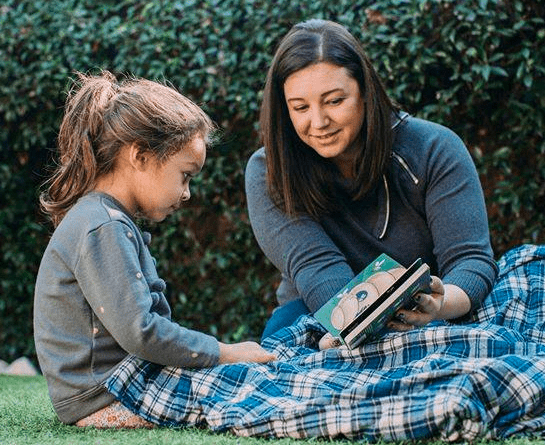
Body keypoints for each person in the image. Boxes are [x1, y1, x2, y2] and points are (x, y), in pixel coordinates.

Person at [34, 71, 275, 428]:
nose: (187, 193)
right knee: (250, 392)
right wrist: (224, 353)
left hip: (114, 385)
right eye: (185, 175)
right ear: (140, 157)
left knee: (252, 380)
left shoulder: (103, 218)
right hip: (106, 395)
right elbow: (142, 332)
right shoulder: (104, 226)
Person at [245, 19, 499, 340]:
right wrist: (353, 331)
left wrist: (440, 304)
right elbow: (317, 268)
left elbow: (470, 260)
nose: (319, 122)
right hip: (318, 311)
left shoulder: (434, 148)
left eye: (335, 101)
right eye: (300, 107)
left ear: (365, 92)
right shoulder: (268, 169)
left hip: (421, 311)